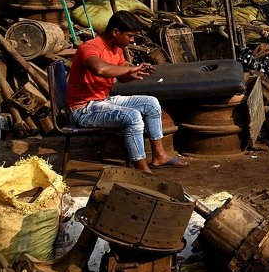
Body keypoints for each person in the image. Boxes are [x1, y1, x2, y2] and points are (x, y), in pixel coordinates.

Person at [66, 10, 188, 172]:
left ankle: (160, 156)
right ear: (115, 32)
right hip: (83, 109)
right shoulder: (90, 47)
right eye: (130, 36)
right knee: (132, 116)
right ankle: (142, 169)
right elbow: (100, 69)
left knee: (151, 103)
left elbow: (122, 77)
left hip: (102, 101)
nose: (132, 40)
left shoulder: (116, 49)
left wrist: (135, 72)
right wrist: (129, 69)